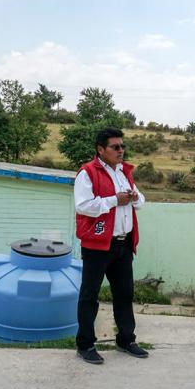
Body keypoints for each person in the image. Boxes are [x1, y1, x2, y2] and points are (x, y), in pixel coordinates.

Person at [74, 127, 148, 365]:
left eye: (122, 146)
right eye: (115, 147)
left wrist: (134, 198)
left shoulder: (124, 172)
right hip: (97, 245)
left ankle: (126, 339)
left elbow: (141, 201)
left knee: (125, 294)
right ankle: (85, 344)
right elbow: (84, 206)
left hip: (123, 244)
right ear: (101, 150)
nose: (121, 150)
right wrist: (116, 200)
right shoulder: (87, 173)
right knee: (90, 296)